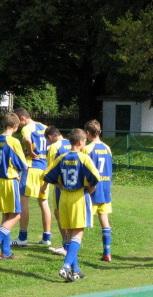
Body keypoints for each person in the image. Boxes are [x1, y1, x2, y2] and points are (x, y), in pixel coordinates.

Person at [42, 128, 101, 282]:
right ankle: (66, 266)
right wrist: (90, 188)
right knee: (78, 232)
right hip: (78, 197)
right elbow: (96, 177)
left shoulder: (62, 157)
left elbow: (46, 175)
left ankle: (76, 271)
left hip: (64, 197)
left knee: (69, 234)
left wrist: (60, 185)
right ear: (81, 142)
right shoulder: (84, 158)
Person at [0, 113, 29, 260]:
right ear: (15, 126)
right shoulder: (12, 141)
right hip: (9, 180)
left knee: (7, 215)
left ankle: (6, 251)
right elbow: (22, 164)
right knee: (16, 215)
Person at [11, 108, 53, 246]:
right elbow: (53, 143)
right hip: (44, 168)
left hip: (31, 167)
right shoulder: (44, 127)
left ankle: (23, 237)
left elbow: (28, 140)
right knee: (44, 203)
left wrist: (29, 151)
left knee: (24, 201)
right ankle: (46, 237)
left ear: (22, 118)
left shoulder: (27, 128)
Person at [82, 119, 114, 262]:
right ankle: (107, 252)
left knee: (80, 222)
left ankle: (70, 249)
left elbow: (84, 170)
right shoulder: (107, 148)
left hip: (92, 190)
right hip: (105, 190)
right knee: (104, 220)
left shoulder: (87, 149)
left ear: (87, 133)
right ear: (99, 131)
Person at [43, 126, 72, 256]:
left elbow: (50, 170)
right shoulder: (71, 142)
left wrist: (44, 185)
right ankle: (70, 244)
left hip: (60, 185)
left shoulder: (55, 147)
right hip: (74, 184)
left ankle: (66, 245)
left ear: (50, 137)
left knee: (59, 214)